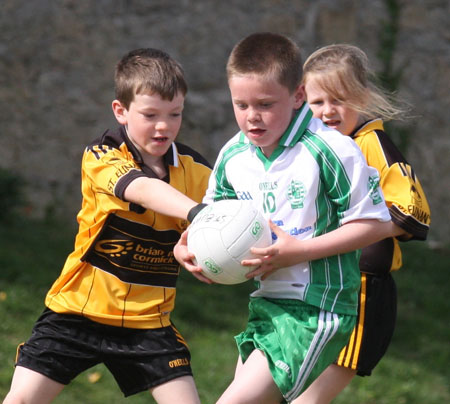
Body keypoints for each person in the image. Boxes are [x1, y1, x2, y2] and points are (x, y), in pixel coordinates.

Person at [174, 32, 401, 404]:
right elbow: (212, 218)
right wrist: (189, 248)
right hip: (264, 303)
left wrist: (300, 251)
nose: (252, 117)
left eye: (265, 104)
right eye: (241, 105)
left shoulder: (331, 149)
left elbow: (373, 224)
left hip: (318, 310)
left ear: (298, 96)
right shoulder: (233, 155)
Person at [2, 48, 212, 404]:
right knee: (20, 400)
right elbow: (142, 188)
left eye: (175, 114)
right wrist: (199, 214)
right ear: (121, 112)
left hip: (150, 322)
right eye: (150, 115)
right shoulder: (101, 155)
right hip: (76, 313)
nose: (164, 126)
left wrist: (196, 246)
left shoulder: (197, 173)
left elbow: (219, 228)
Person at [295, 44, 431, 403]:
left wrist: (369, 229)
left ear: (363, 98)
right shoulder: (313, 149)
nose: (327, 111)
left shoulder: (372, 144)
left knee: (310, 398)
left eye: (339, 100)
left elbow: (413, 207)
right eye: (317, 101)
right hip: (318, 287)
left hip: (362, 293)